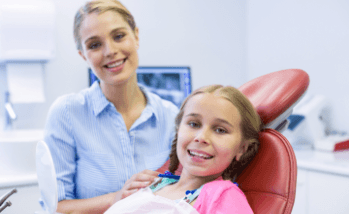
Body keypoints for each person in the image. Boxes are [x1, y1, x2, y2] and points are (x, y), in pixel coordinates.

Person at [43, 0, 178, 213]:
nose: (110, 51)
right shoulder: (66, 114)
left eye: (118, 36)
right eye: (94, 45)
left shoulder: (173, 117)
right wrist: (117, 198)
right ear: (83, 55)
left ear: (136, 36)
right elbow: (55, 208)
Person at [105, 85, 262, 213]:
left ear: (242, 148)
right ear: (179, 130)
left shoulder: (223, 196)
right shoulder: (154, 183)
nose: (201, 137)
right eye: (193, 124)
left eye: (220, 130)